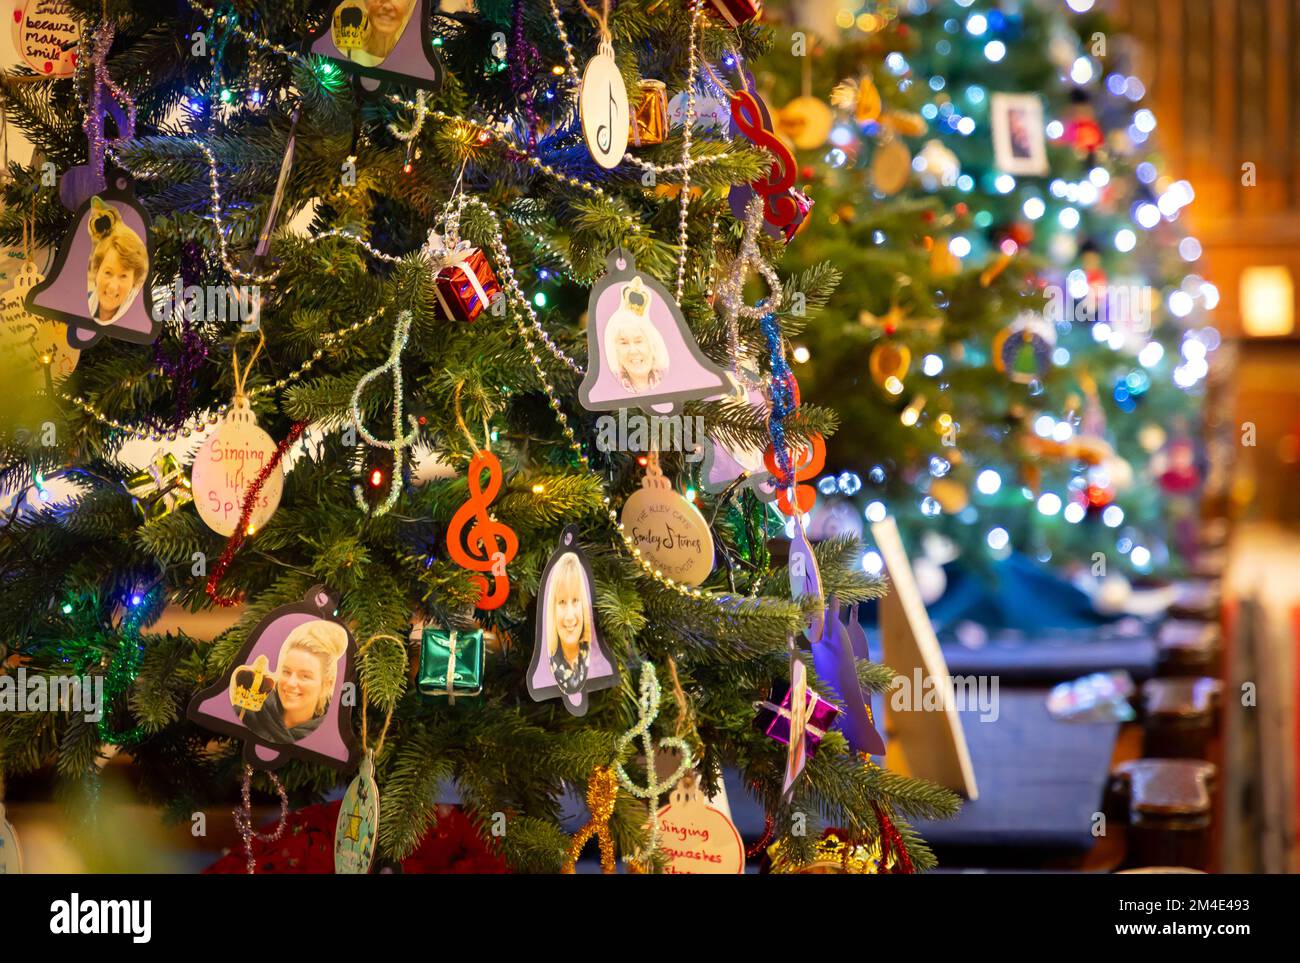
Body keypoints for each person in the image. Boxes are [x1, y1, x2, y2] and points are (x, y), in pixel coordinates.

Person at [242, 620, 349, 745]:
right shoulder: (246, 714)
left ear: (327, 685)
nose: (291, 683)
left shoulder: (329, 741)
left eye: (305, 676)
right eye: (286, 672)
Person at [602, 275, 670, 395]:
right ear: (615, 350)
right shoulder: (610, 392)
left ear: (652, 345)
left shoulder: (671, 381)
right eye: (623, 343)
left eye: (639, 341)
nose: (633, 351)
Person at [86, 198, 147, 326]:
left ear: (134, 281)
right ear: (97, 271)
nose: (113, 287)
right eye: (108, 272)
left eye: (123, 276)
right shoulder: (81, 301)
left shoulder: (136, 321)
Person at [544, 553, 595, 696]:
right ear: (552, 608)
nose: (569, 616)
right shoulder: (548, 667)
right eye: (562, 602)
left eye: (576, 600)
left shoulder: (593, 656)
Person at [341, 0, 416, 67]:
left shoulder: (411, 62)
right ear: (366, 2)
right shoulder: (343, 50)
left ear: (409, 6)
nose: (387, 6)